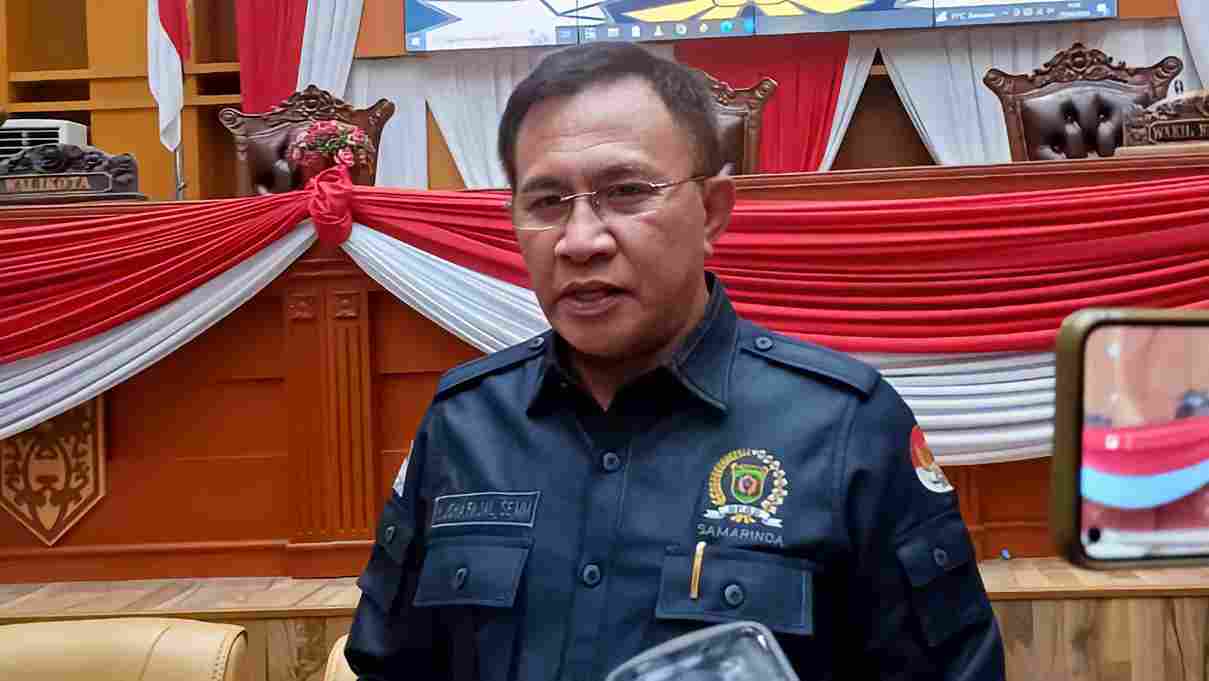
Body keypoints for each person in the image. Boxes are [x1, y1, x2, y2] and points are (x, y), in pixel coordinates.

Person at [346, 42, 1005, 681]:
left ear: (712, 212)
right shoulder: (464, 424)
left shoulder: (843, 428)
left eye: (626, 191)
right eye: (546, 202)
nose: (580, 240)